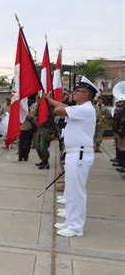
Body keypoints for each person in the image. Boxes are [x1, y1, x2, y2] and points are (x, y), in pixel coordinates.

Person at [46, 76, 98, 237]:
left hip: (79, 155)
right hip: (75, 154)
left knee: (77, 193)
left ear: (85, 95)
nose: (73, 93)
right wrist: (49, 99)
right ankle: (71, 221)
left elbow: (58, 110)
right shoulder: (80, 108)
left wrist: (50, 102)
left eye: (77, 91)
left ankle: (76, 227)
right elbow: (63, 106)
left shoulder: (85, 109)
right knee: (72, 190)